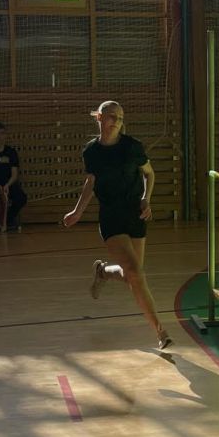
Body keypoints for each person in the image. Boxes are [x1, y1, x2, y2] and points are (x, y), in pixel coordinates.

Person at [62, 99, 172, 352]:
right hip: (111, 216)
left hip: (135, 213)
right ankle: (160, 331)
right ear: (99, 118)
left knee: (133, 274)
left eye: (120, 118)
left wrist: (146, 198)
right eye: (111, 116)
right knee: (135, 272)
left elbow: (150, 174)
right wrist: (78, 211)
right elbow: (91, 182)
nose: (116, 122)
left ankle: (103, 272)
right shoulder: (91, 151)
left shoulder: (132, 147)